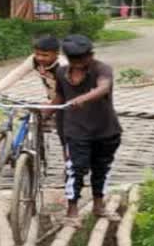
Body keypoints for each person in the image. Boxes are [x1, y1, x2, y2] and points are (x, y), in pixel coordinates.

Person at [51, 34, 122, 224]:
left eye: (82, 58)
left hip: (105, 130)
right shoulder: (61, 73)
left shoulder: (102, 69)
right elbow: (59, 95)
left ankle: (99, 206)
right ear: (67, 58)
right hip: (76, 130)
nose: (79, 63)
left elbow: (103, 88)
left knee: (102, 168)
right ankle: (72, 212)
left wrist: (83, 98)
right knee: (76, 169)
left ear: (90, 55)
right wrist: (44, 111)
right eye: (74, 60)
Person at [0, 35, 67, 102]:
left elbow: (69, 89)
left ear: (56, 54)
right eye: (37, 54)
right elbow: (17, 74)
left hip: (67, 100)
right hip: (51, 98)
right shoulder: (33, 60)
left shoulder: (63, 65)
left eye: (45, 55)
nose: (40, 58)